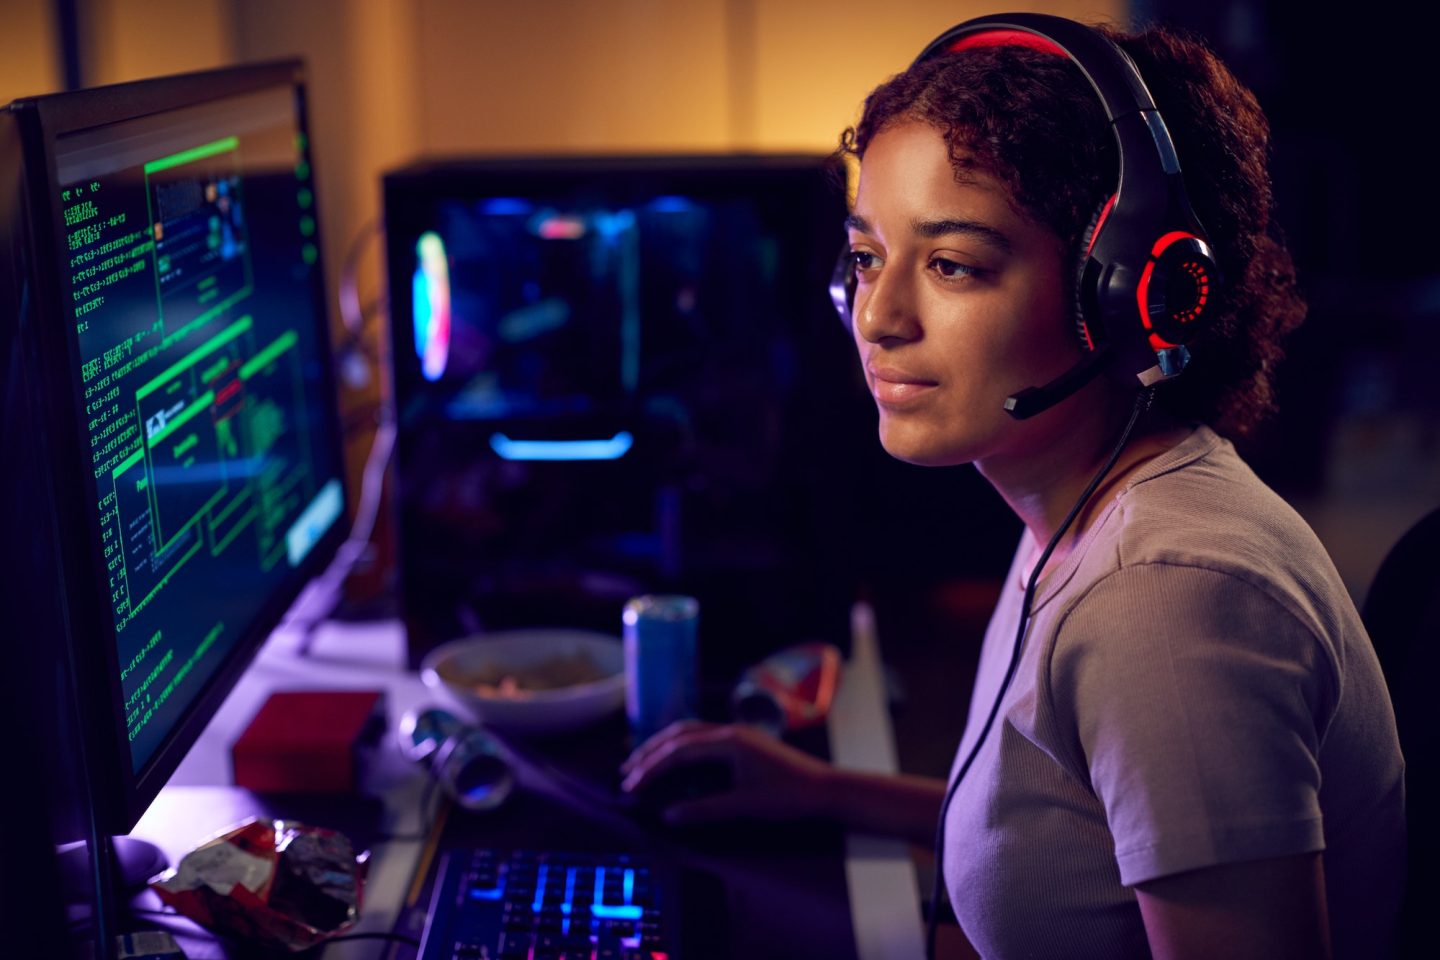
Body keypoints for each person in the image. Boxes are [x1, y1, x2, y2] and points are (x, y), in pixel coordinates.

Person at [620, 15, 1405, 960]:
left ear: (1127, 297)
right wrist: (822, 790)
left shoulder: (1170, 601)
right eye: (868, 257)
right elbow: (1091, 836)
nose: (878, 317)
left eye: (953, 265)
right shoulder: (1083, 504)